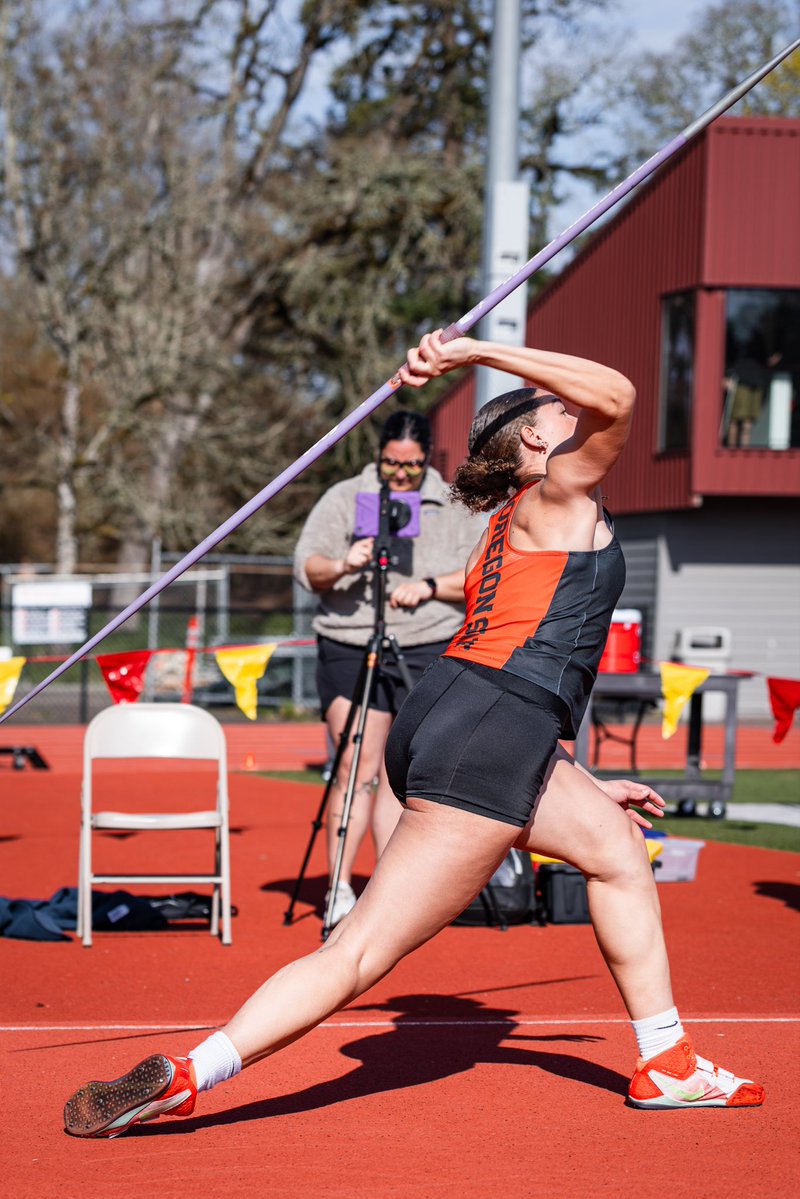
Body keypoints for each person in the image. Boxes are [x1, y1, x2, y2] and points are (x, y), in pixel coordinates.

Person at [64, 333, 764, 1139]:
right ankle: (193, 1072)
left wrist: (576, 778)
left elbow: (521, 658)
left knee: (613, 849)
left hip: (468, 714)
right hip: (491, 727)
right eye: (553, 411)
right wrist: (475, 352)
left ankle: (667, 1060)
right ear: (535, 440)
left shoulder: (507, 525)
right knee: (359, 953)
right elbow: (621, 391)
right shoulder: (559, 491)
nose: (571, 411)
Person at [293, 409, 484, 923]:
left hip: (425, 644)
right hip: (350, 642)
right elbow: (307, 567)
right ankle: (337, 891)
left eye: (412, 466)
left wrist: (426, 587)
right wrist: (344, 564)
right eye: (390, 464)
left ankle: (389, 892)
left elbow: (480, 574)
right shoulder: (343, 497)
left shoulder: (454, 502)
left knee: (402, 772)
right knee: (357, 767)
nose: (399, 475)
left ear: (428, 460)